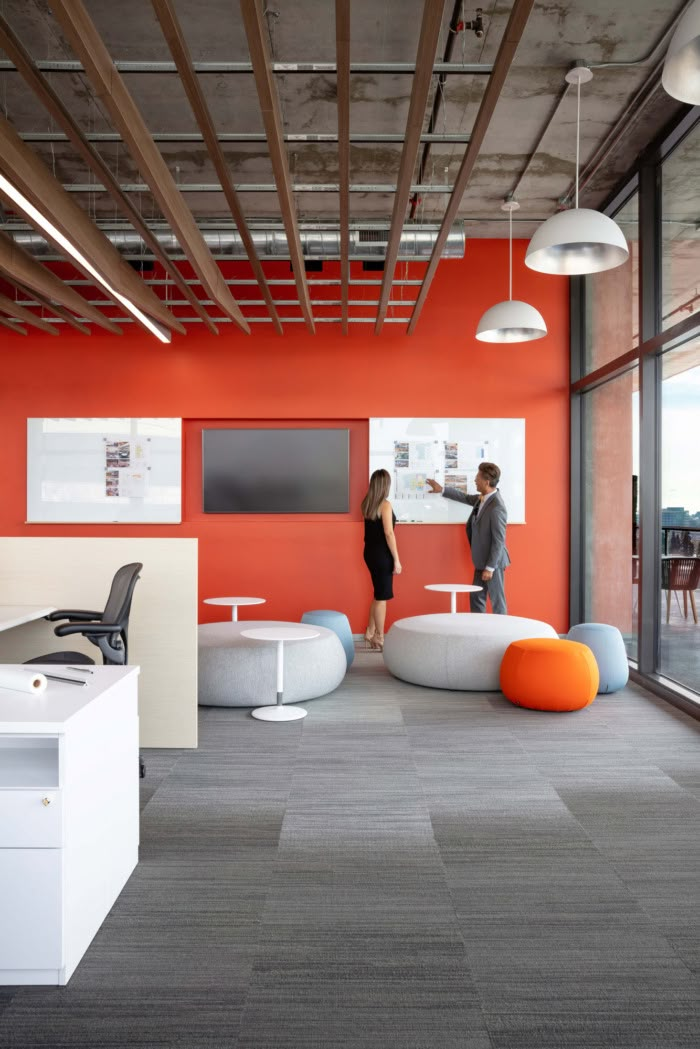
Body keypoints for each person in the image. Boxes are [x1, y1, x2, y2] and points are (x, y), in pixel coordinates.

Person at [426, 462, 509, 614]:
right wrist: (442, 490)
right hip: (481, 560)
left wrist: (490, 568)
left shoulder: (497, 507)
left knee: (497, 601)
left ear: (487, 482)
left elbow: (498, 541)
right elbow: (464, 498)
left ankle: (502, 634)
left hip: (493, 563)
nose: (475, 480)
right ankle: (477, 630)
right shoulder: (483, 498)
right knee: (476, 597)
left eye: (477, 477)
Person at [361, 468, 402, 650]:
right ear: (386, 485)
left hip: (370, 552)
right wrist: (397, 560)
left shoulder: (368, 503)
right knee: (382, 596)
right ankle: (379, 636)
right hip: (382, 555)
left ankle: (370, 632)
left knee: (378, 594)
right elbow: (388, 533)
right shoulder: (385, 505)